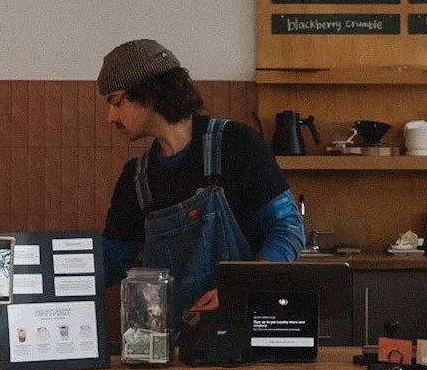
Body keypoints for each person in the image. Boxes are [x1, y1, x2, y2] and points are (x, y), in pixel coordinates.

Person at [98, 38, 305, 319]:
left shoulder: (237, 145)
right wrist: (47, 279)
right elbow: (109, 262)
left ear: (149, 93)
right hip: (173, 339)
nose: (110, 117)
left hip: (245, 328)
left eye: (116, 102)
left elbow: (288, 228)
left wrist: (240, 287)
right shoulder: (135, 179)